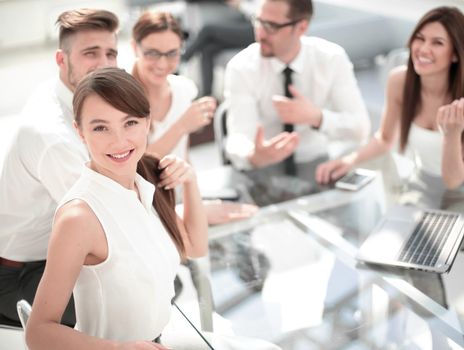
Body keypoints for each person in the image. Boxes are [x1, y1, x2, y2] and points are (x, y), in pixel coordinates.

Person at [26, 67, 281, 350]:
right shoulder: (79, 217)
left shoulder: (144, 181)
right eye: (100, 127)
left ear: (147, 122)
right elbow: (38, 332)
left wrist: (191, 183)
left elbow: (195, 247)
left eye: (130, 123)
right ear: (80, 132)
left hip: (162, 338)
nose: (119, 140)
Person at [0, 9, 119, 326]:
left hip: (53, 256)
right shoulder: (54, 136)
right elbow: (105, 221)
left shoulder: (69, 95)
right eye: (90, 53)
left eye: (111, 53)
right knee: (127, 302)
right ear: (61, 60)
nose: (105, 63)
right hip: (18, 274)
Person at [316, 6, 464, 212]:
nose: (423, 49)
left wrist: (453, 133)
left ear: (455, 54)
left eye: (437, 42)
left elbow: (453, 181)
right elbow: (385, 139)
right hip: (421, 185)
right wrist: (349, 161)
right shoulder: (399, 80)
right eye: (419, 38)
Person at [131, 11, 258, 224]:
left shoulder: (183, 89)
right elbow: (133, 166)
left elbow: (184, 156)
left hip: (178, 199)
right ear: (135, 48)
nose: (163, 64)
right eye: (152, 53)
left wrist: (195, 202)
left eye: (172, 53)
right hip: (140, 208)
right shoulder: (119, 96)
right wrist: (181, 126)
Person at [224, 0, 370, 181]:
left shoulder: (331, 58)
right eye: (258, 21)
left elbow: (360, 129)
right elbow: (238, 136)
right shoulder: (241, 67)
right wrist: (252, 155)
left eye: (271, 26)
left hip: (317, 164)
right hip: (263, 168)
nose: (260, 33)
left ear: (301, 27)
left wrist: (318, 117)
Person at [181, 0, 255, 96]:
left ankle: (181, 59)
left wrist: (240, 4)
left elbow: (259, 12)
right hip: (246, 25)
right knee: (208, 49)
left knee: (208, 30)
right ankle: (207, 95)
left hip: (255, 30)